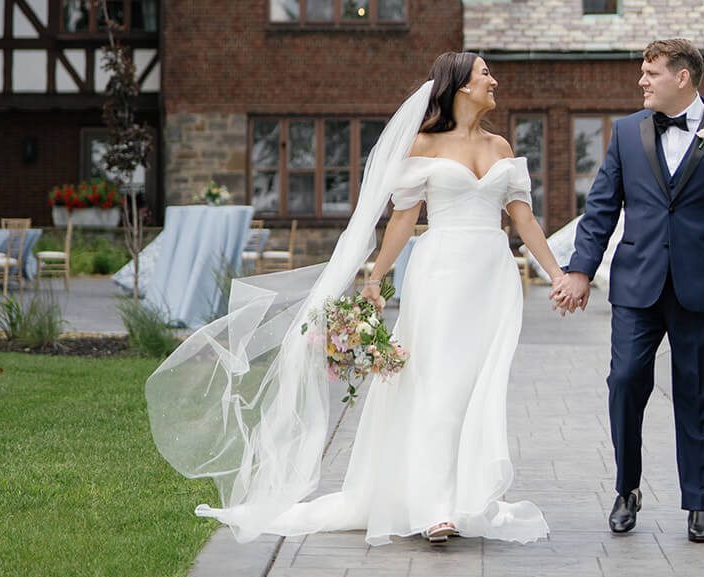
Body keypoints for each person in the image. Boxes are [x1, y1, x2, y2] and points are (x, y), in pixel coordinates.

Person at [147, 52, 562, 548]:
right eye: (484, 74)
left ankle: (459, 494)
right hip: (442, 274)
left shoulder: (500, 146)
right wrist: (377, 277)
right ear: (459, 87)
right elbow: (403, 219)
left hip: (492, 277)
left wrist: (556, 273)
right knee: (438, 383)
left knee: (476, 384)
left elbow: (523, 219)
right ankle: (434, 507)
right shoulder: (423, 145)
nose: (494, 80)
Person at [551, 38, 704, 544]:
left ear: (682, 77)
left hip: (702, 286)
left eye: (651, 72)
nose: (642, 80)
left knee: (699, 394)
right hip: (638, 283)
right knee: (625, 382)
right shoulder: (625, 134)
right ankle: (626, 488)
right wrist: (580, 270)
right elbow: (600, 209)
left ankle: (700, 503)